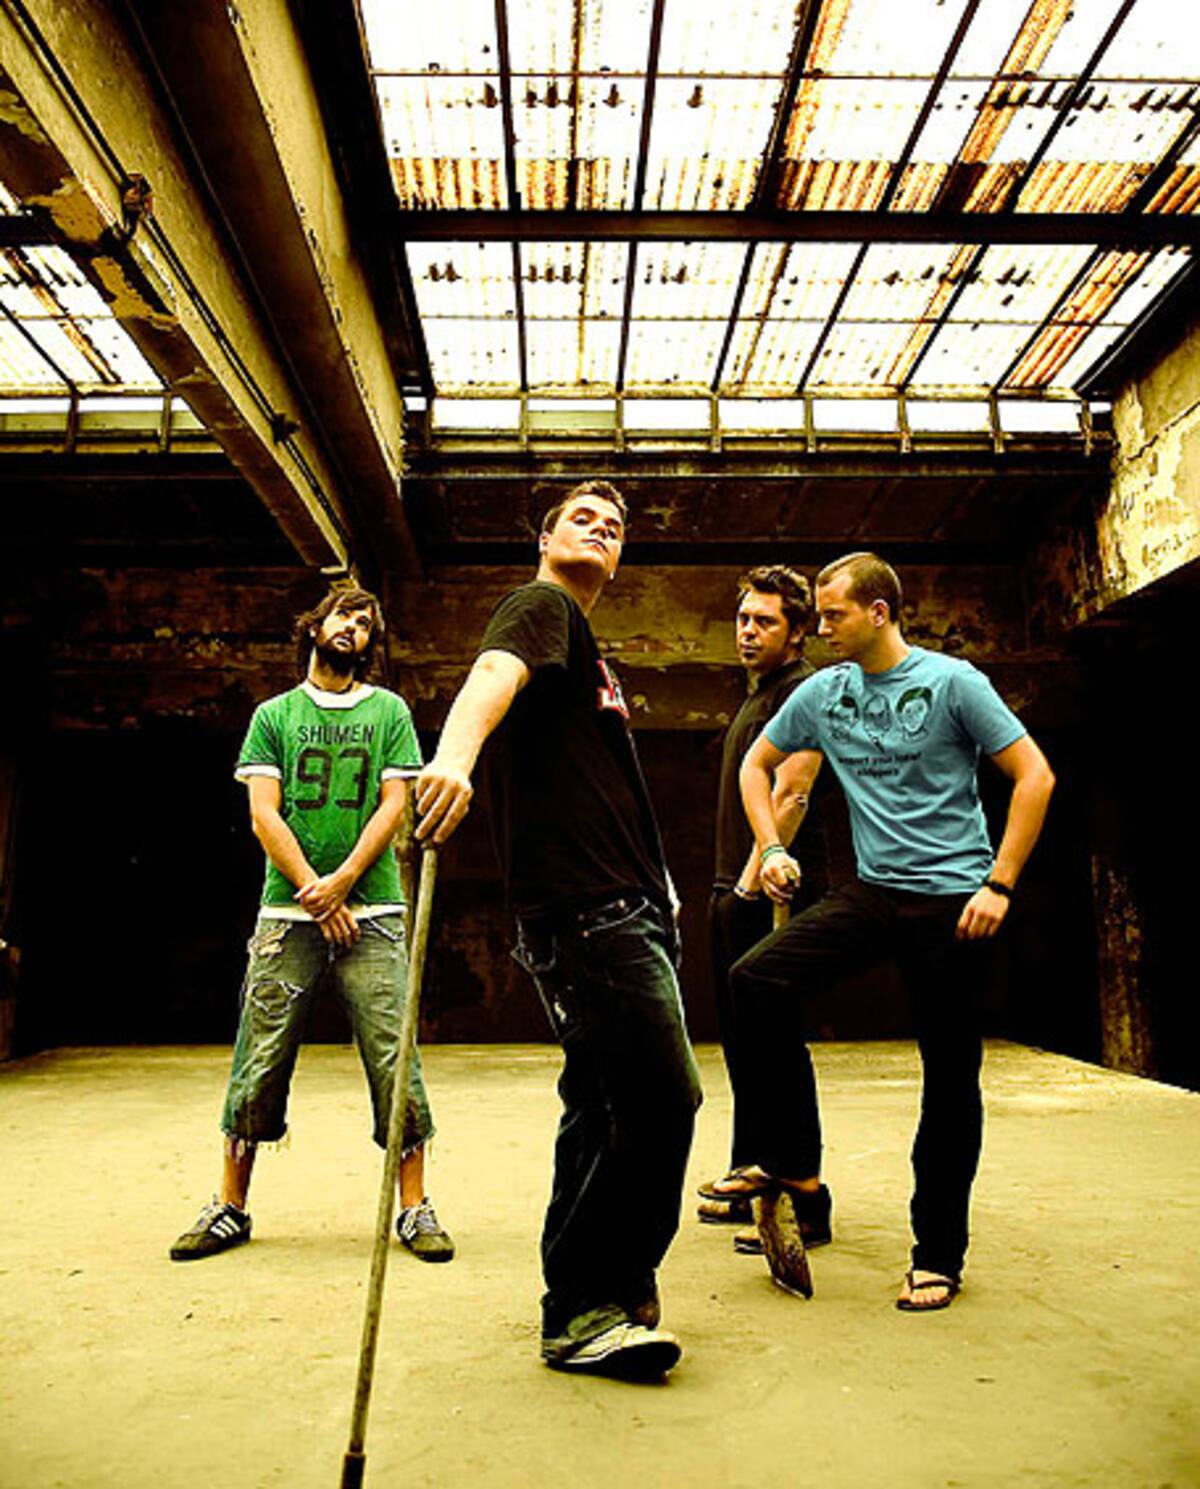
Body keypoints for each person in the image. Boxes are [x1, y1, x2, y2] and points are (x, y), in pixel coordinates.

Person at [416, 480, 701, 1379]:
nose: (602, 531)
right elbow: (491, 674)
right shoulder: (540, 607)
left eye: (615, 528)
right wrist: (452, 760)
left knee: (601, 1106)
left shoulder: (588, 651)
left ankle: (589, 1293)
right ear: (545, 539)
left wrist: (660, 885)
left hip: (621, 903)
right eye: (583, 518)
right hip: (588, 908)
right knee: (661, 1100)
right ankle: (588, 1299)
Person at [733, 552, 1055, 1310]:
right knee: (756, 980)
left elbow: (1034, 776)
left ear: (878, 612)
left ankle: (938, 1254)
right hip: (875, 893)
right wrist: (770, 848)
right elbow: (756, 765)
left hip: (954, 903)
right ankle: (796, 1174)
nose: (822, 627)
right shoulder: (825, 693)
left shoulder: (953, 683)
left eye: (834, 614)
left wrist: (999, 883)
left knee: (949, 1079)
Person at [170, 588, 454, 1265]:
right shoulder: (275, 715)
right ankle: (230, 1205)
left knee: (393, 1053)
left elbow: (394, 805)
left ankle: (414, 1206)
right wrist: (315, 893)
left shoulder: (389, 711)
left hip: (374, 909)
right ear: (315, 627)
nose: (354, 626)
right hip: (287, 911)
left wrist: (344, 882)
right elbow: (264, 813)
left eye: (366, 622)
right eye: (344, 615)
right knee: (260, 1052)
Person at [696, 567, 831, 1255]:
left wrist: (751, 883)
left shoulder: (804, 691)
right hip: (735, 887)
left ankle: (806, 1203)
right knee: (746, 1046)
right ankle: (754, 1176)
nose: (748, 631)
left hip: (767, 891)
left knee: (777, 1046)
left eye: (765, 622)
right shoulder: (758, 694)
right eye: (744, 618)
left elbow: (794, 790)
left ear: (798, 631)